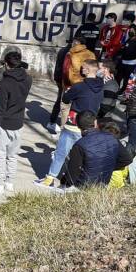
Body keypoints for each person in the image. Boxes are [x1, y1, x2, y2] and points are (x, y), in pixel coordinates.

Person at [35, 59, 103, 189]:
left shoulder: (79, 86)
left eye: (83, 67)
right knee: (81, 156)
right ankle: (75, 181)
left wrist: (69, 91)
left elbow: (65, 99)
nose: (81, 69)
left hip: (73, 124)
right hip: (89, 126)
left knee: (61, 153)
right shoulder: (101, 88)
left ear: (87, 70)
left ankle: (50, 179)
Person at [0, 48, 32, 194]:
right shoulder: (28, 78)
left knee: (0, 154)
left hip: (5, 122)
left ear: (6, 64)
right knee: (12, 155)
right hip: (18, 121)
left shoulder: (5, 83)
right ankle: (9, 182)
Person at [60, 111, 133, 189]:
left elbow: (72, 175)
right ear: (95, 123)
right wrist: (108, 167)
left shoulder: (79, 145)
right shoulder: (112, 138)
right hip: (103, 184)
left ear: (78, 125)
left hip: (83, 187)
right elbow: (127, 159)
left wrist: (63, 182)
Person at [48, 38, 73, 135]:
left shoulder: (62, 50)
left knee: (60, 99)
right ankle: (55, 121)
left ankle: (52, 120)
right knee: (63, 101)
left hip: (59, 77)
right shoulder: (70, 53)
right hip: (64, 79)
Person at [116, 25, 136, 92]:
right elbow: (122, 49)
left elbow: (130, 52)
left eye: (132, 30)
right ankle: (117, 90)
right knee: (118, 77)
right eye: (130, 30)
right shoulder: (128, 40)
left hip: (130, 64)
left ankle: (123, 91)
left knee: (126, 79)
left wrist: (124, 51)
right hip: (123, 63)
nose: (130, 31)